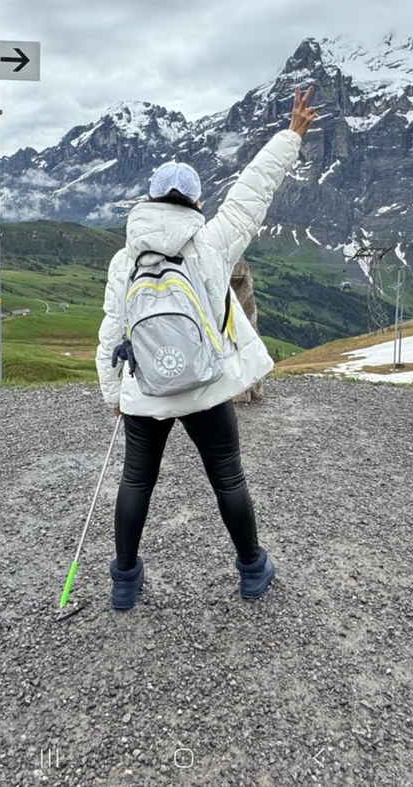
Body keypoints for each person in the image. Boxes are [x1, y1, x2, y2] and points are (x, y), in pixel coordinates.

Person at [96, 86, 317, 609]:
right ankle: (251, 569)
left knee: (135, 481)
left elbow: (110, 332)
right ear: (195, 202)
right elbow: (251, 192)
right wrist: (292, 135)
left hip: (145, 391)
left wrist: (114, 394)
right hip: (207, 387)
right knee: (227, 477)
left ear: (149, 201)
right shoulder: (214, 242)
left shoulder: (123, 260)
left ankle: (125, 580)